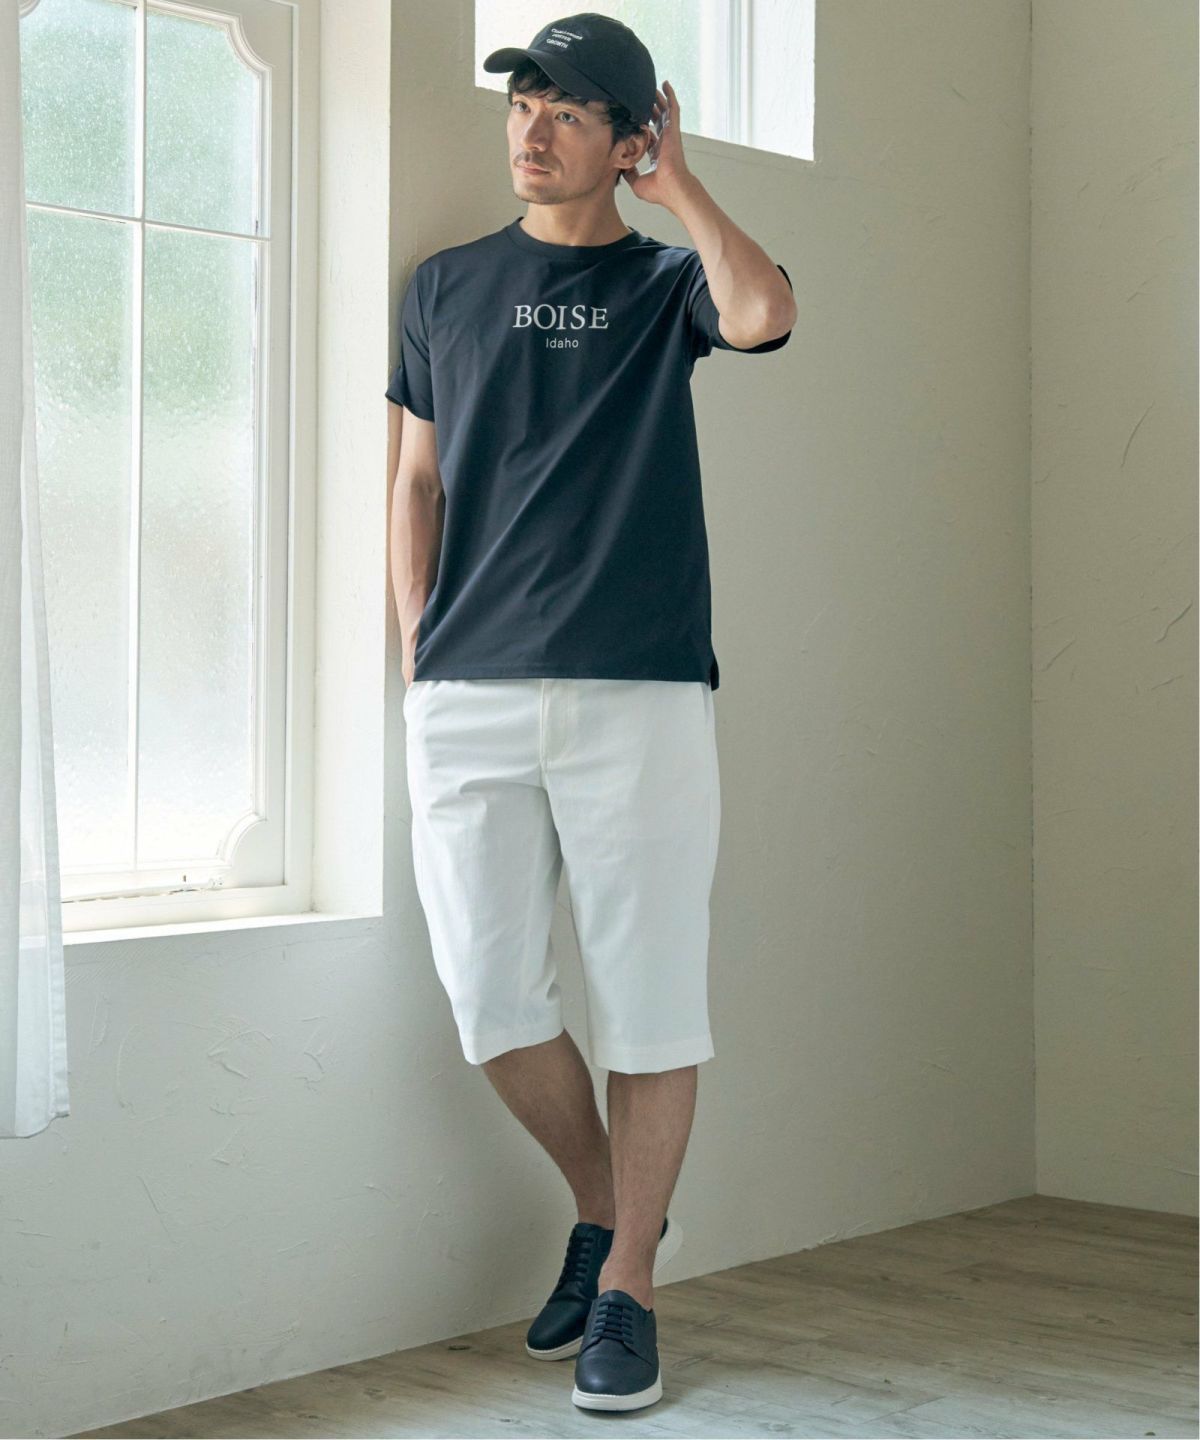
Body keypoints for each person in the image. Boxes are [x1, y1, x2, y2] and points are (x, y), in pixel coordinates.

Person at [386, 11, 795, 1414]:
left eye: (569, 109)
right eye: (524, 101)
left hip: (640, 689)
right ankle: (612, 1209)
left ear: (626, 138)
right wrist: (416, 648)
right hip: (469, 691)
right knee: (491, 998)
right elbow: (417, 482)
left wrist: (680, 186)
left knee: (652, 1004)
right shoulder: (445, 287)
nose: (533, 127)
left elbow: (766, 314)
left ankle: (628, 1289)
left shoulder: (667, 283)